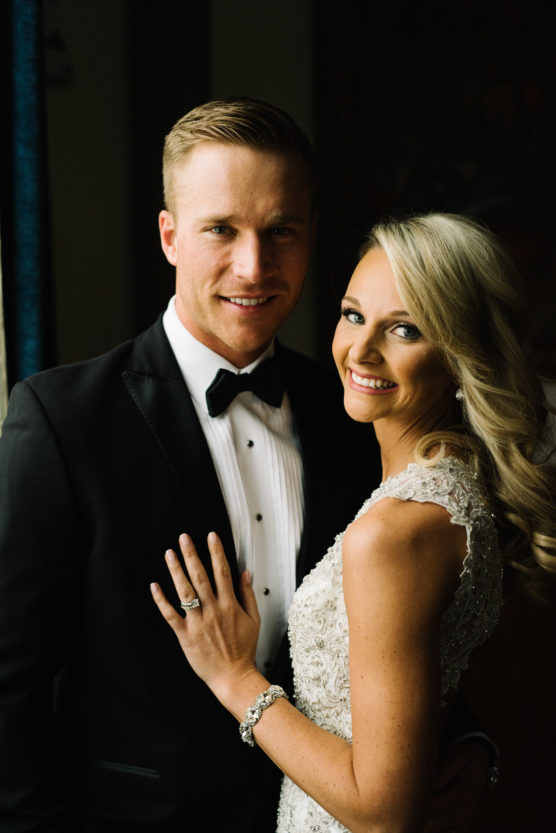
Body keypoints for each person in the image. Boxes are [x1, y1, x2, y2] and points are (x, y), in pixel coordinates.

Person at [0, 100, 490, 832]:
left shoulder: (359, 410)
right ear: (169, 236)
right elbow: (10, 688)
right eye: (221, 230)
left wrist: (471, 746)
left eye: (280, 231)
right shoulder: (63, 419)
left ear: (311, 235)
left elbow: (400, 632)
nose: (254, 267)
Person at [151, 212, 556, 833]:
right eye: (352, 314)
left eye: (405, 329)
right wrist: (471, 744)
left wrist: (235, 680)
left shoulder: (394, 532)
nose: (361, 351)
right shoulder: (455, 487)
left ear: (459, 355)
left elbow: (383, 812)